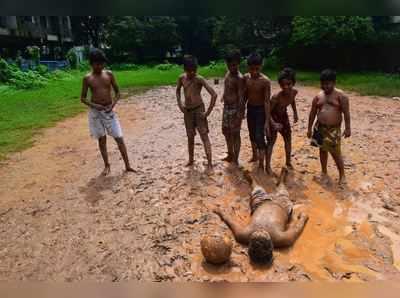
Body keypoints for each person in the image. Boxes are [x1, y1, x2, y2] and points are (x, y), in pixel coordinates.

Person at [213, 168, 308, 264]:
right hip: (282, 206)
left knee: (257, 189)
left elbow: (230, 221)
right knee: (282, 191)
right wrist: (303, 218)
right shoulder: (282, 239)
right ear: (271, 246)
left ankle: (252, 181)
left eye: (257, 237)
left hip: (259, 205)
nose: (261, 231)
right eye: (263, 237)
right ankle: (282, 180)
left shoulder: (243, 235)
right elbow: (297, 229)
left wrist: (220, 212)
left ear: (250, 245)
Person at [80, 48, 135, 176]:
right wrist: (95, 106)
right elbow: (82, 98)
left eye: (101, 63)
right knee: (102, 139)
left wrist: (113, 105)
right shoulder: (87, 78)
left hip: (109, 111)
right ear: (91, 64)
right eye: (97, 64)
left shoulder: (109, 75)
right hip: (95, 113)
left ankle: (127, 165)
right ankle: (106, 165)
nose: (99, 66)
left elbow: (118, 93)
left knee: (119, 137)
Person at [307, 69, 351, 185]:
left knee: (336, 152)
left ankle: (342, 175)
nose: (325, 86)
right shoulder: (318, 96)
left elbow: (346, 113)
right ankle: (324, 172)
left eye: (327, 84)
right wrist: (309, 128)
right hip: (320, 127)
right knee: (322, 149)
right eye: (323, 83)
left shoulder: (341, 96)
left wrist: (348, 128)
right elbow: (312, 113)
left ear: (334, 83)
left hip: (333, 129)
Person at [176, 55, 218, 170]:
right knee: (190, 137)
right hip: (188, 112)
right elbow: (178, 91)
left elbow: (214, 94)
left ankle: (210, 163)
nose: (192, 73)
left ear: (196, 69)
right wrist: (180, 105)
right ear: (184, 69)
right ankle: (191, 160)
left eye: (194, 70)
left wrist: (207, 113)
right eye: (189, 70)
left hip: (199, 110)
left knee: (204, 136)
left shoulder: (199, 79)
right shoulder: (181, 78)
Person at [266, 68, 299, 175]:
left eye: (289, 84)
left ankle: (288, 162)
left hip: (283, 117)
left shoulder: (294, 92)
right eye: (283, 85)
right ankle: (267, 167)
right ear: (280, 85)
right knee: (271, 142)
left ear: (293, 83)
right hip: (273, 117)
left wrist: (295, 112)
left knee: (288, 139)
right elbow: (267, 112)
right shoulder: (276, 97)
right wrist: (273, 124)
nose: (286, 87)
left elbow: (292, 100)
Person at [243, 53, 271, 171]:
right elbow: (245, 95)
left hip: (260, 110)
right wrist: (241, 108)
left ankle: (261, 163)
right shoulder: (246, 78)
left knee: (260, 136)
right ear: (248, 67)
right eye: (251, 69)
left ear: (261, 66)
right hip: (250, 108)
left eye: (257, 69)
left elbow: (266, 101)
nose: (254, 72)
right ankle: (254, 156)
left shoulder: (265, 81)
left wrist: (267, 121)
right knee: (252, 133)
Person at [221, 50, 245, 165]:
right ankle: (230, 154)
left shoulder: (239, 78)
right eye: (229, 65)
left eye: (234, 65)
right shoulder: (227, 73)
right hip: (226, 107)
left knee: (235, 133)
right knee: (226, 131)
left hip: (235, 108)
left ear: (238, 64)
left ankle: (236, 158)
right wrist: (224, 96)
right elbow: (227, 88)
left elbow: (241, 97)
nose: (232, 67)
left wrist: (240, 114)